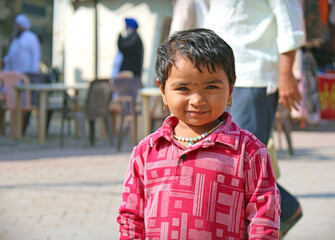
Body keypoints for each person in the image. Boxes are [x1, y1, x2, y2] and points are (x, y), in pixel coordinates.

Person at [117, 28, 280, 239]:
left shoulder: (248, 152)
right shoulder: (146, 152)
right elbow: (131, 218)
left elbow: (263, 219)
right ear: (163, 90)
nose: (197, 100)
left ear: (230, 90)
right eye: (183, 88)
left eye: (211, 87)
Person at [206, 0, 305, 238]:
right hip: (219, 76)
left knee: (239, 165)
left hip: (253, 77)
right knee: (222, 164)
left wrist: (286, 73)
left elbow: (289, 16)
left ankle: (285, 210)